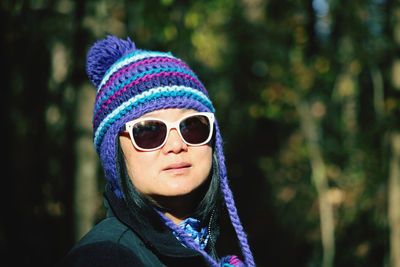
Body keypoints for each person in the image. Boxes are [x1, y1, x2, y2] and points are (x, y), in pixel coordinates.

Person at [59, 35, 255, 267]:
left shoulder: (202, 247)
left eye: (192, 126)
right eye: (149, 131)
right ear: (115, 155)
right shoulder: (104, 257)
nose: (176, 145)